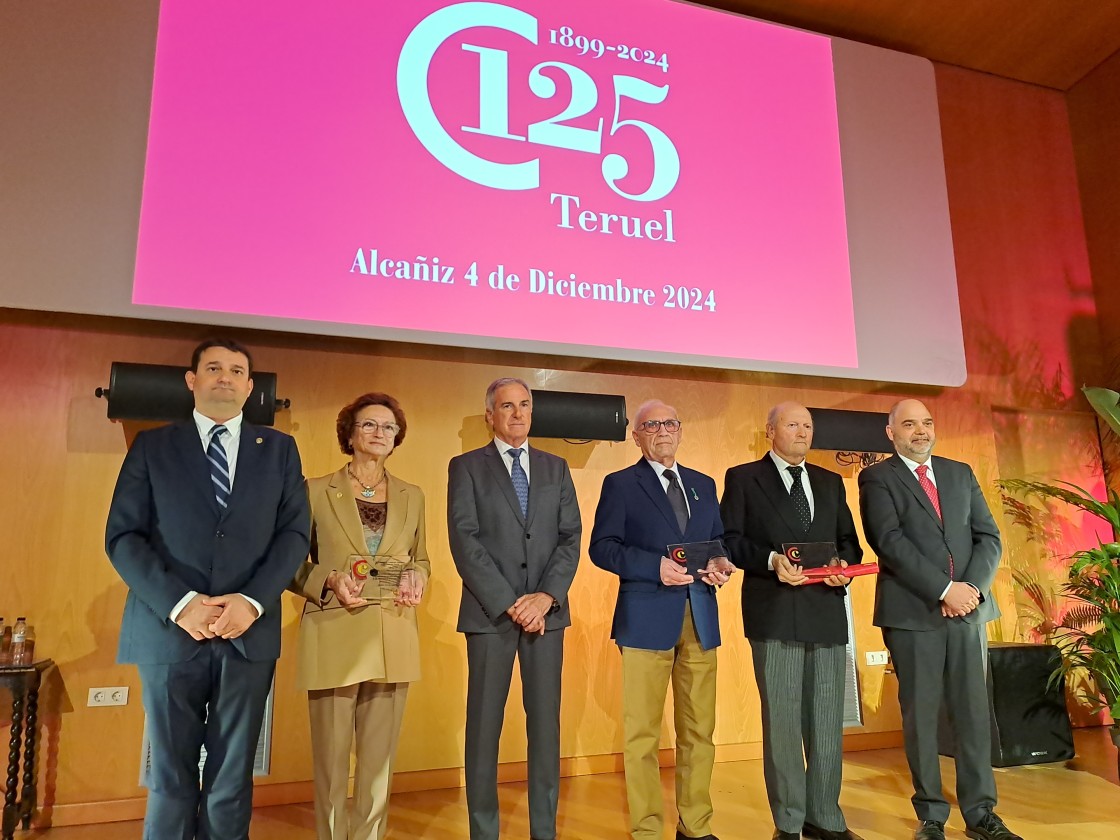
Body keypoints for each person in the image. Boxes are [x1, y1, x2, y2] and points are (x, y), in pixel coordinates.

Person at [105, 338, 310, 840]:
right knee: (171, 774)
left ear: (248, 387)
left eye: (237, 371)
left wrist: (252, 601)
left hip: (248, 633)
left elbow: (294, 535)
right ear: (191, 380)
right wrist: (182, 606)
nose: (225, 377)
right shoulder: (152, 445)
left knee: (232, 772)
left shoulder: (280, 450)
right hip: (167, 631)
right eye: (213, 368)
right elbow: (123, 537)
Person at [858, 399, 1020, 840]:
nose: (921, 431)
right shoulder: (876, 477)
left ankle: (981, 813)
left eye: (927, 422)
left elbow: (988, 536)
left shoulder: (959, 472)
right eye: (909, 424)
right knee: (922, 717)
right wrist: (944, 590)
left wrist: (971, 590)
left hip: (969, 612)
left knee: (972, 713)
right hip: (914, 614)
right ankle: (932, 815)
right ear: (890, 433)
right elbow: (888, 542)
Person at [589, 399, 734, 840]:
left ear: (680, 430)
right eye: (652, 424)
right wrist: (653, 566)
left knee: (699, 732)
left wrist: (722, 562)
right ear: (637, 435)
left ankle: (696, 825)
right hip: (645, 618)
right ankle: (648, 830)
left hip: (701, 616)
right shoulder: (621, 484)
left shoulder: (702, 484)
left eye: (671, 422)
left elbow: (719, 540)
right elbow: (603, 547)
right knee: (642, 737)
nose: (663, 430)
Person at [720, 402, 864, 840]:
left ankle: (826, 818)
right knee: (781, 722)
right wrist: (769, 560)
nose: (802, 431)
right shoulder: (743, 478)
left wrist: (843, 564)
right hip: (774, 612)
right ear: (770, 431)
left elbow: (849, 544)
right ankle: (788, 823)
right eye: (792, 424)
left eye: (807, 425)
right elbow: (730, 541)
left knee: (825, 722)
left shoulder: (830, 481)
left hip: (825, 611)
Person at [290, 392, 430, 840]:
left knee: (378, 761)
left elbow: (421, 558)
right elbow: (290, 563)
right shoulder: (313, 490)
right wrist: (328, 580)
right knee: (331, 760)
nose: (379, 434)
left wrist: (417, 576)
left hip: (392, 632)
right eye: (369, 425)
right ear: (349, 434)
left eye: (388, 427)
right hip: (335, 628)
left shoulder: (413, 495)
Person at [447, 377, 582, 840]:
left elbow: (570, 539)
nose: (518, 414)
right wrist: (511, 604)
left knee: (545, 728)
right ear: (490, 414)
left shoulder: (556, 467)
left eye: (525, 405)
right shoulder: (465, 467)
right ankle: (484, 832)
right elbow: (464, 542)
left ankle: (543, 831)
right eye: (508, 406)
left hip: (548, 616)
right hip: (490, 617)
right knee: (484, 729)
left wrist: (545, 598)